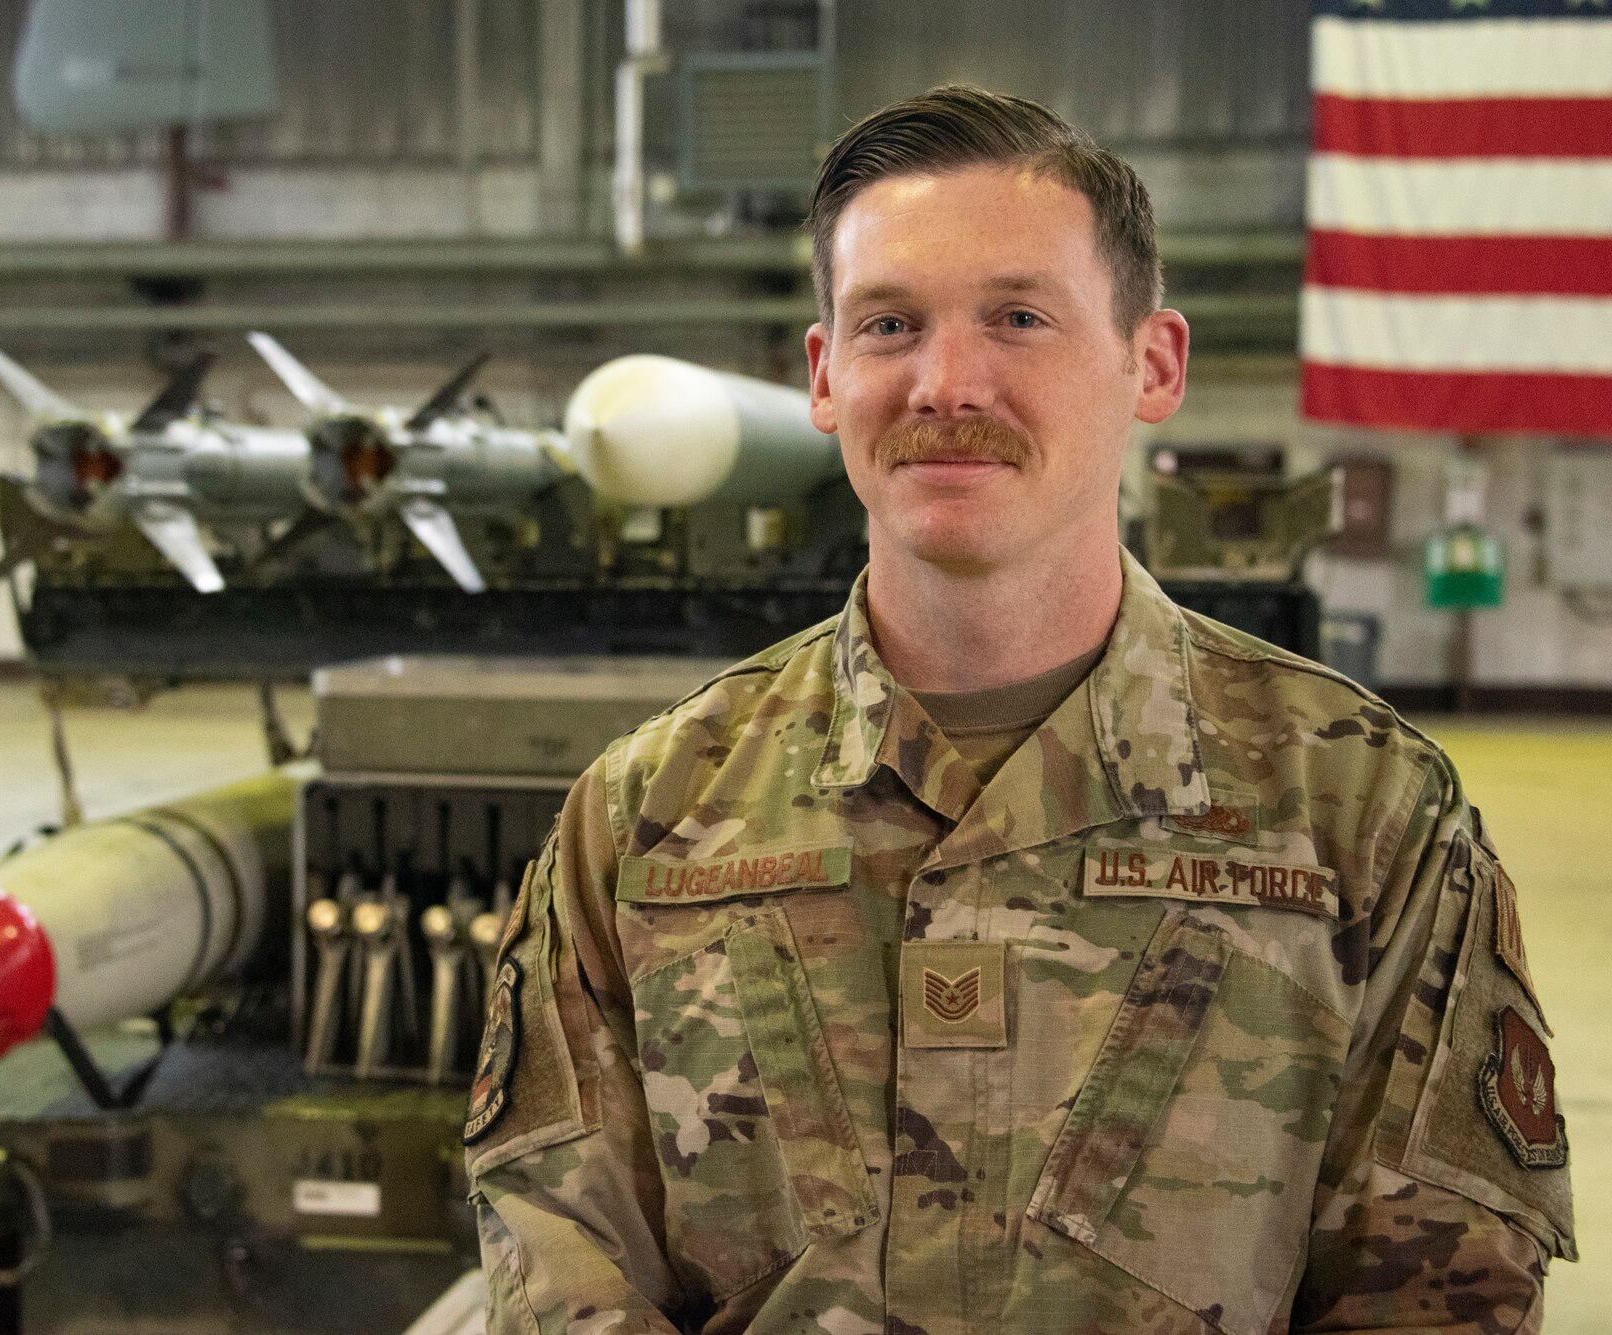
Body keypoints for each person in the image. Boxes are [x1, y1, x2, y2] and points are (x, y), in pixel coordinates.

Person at [462, 84, 1574, 1334]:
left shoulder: (1357, 808)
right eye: (890, 323)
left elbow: (1440, 1294)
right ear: (825, 377)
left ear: (1149, 364)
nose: (945, 381)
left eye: (1017, 317)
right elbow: (562, 1257)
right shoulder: (649, 812)